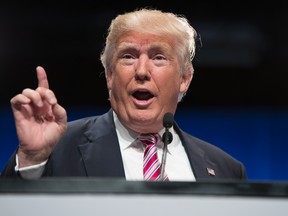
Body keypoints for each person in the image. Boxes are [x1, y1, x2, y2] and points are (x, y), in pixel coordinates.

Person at [1, 8, 247, 181]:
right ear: (109, 75)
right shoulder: (57, 149)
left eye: (158, 57)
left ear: (184, 79)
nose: (141, 71)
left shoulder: (225, 170)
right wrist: (31, 159)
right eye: (128, 56)